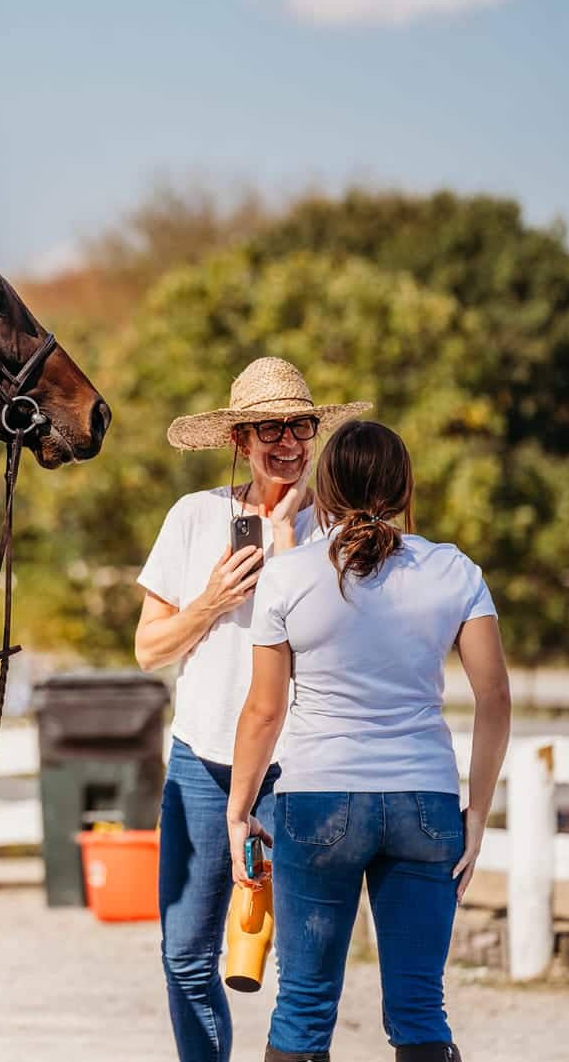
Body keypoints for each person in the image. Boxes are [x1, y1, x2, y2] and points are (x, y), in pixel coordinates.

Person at [227, 420, 511, 1062]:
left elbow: (264, 710)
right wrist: (478, 815)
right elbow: (494, 698)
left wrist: (239, 809)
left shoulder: (289, 575)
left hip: (318, 801)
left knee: (302, 1005)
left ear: (323, 488)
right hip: (425, 804)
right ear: (404, 488)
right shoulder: (454, 571)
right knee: (419, 1008)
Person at [134, 357, 370, 1062]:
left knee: (301, 965)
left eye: (300, 425)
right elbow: (149, 648)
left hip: (301, 769)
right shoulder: (194, 517)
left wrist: (295, 549)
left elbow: (351, 649)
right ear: (240, 439)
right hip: (203, 765)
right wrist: (211, 600)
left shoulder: (342, 530)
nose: (289, 442)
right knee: (186, 955)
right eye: (270, 428)